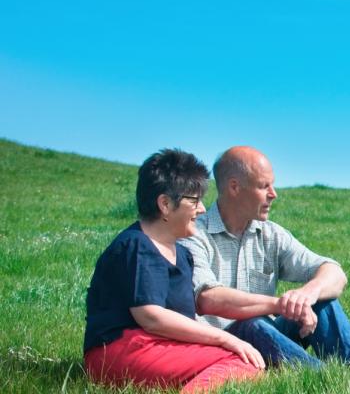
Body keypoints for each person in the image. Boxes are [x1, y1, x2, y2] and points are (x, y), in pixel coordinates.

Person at [83, 149, 264, 394]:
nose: (202, 210)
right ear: (165, 204)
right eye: (195, 201)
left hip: (158, 347)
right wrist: (225, 338)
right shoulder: (137, 246)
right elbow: (151, 317)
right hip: (119, 349)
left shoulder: (183, 255)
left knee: (243, 362)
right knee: (240, 362)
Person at [180, 146, 350, 368]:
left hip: (269, 340)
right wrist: (281, 305)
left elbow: (334, 272)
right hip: (223, 348)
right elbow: (207, 298)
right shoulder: (193, 234)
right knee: (252, 323)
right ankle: (321, 378)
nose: (274, 194)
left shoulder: (271, 234)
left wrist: (306, 295)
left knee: (322, 301)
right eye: (264, 186)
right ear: (234, 187)